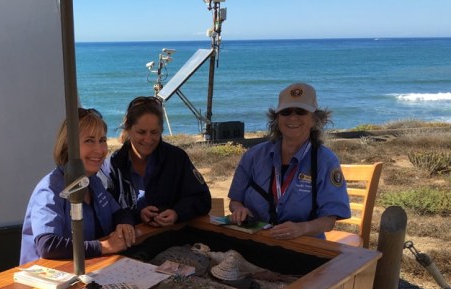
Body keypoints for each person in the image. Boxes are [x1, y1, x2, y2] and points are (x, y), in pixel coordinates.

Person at [228, 82, 350, 240]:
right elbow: (235, 200)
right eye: (285, 112)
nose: (293, 117)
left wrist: (302, 228)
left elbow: (329, 220)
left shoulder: (325, 161)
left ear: (314, 120)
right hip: (257, 240)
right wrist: (238, 209)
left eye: (301, 111)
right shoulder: (254, 155)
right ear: (277, 118)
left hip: (304, 246)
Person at [19, 108, 136, 265]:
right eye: (89, 140)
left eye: (102, 140)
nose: (100, 149)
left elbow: (119, 213)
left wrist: (125, 224)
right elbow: (48, 245)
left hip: (87, 270)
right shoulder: (50, 188)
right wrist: (103, 247)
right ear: (69, 146)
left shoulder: (92, 181)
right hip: (46, 280)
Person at [101, 96, 211, 227]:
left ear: (161, 131)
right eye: (141, 132)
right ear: (128, 129)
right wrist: (138, 214)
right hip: (131, 243)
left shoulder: (177, 159)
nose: (148, 139)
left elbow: (202, 199)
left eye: (154, 132)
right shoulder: (112, 165)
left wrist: (177, 213)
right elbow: (106, 212)